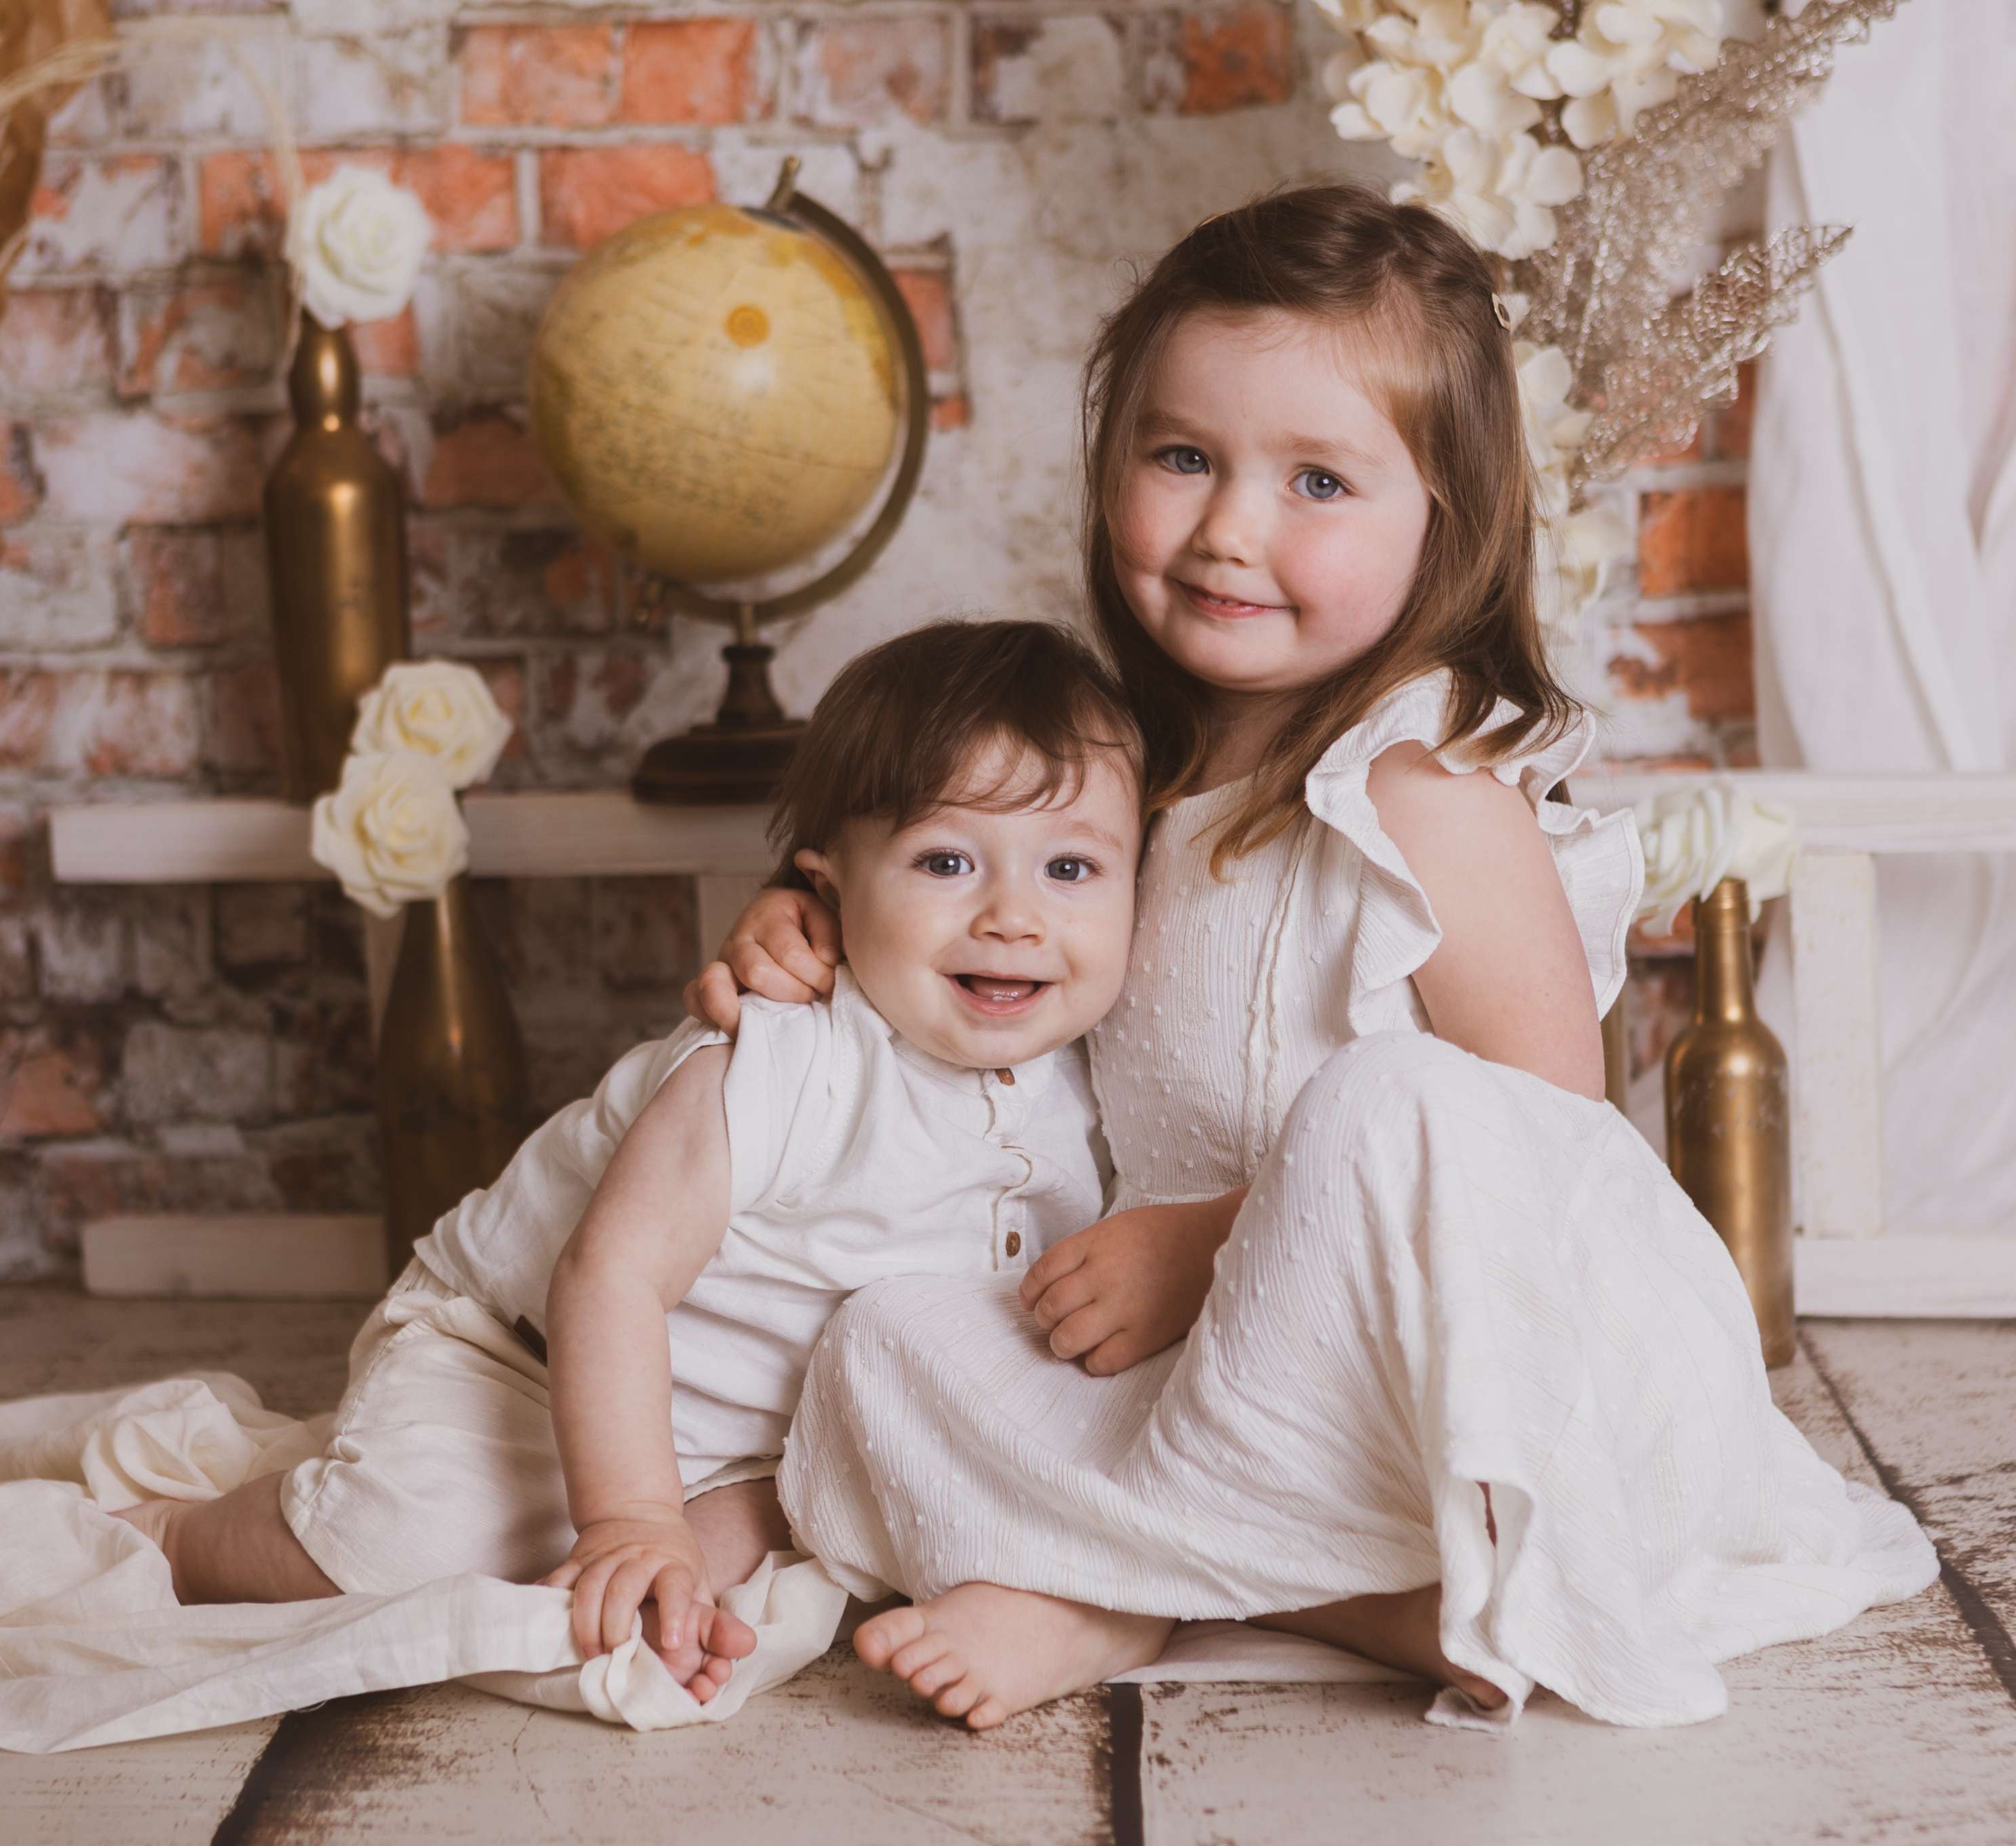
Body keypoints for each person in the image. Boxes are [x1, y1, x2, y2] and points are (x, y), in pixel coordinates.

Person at [690, 184, 1940, 1731]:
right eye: (1182, 457)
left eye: (1317, 482)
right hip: (1235, 1391)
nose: (1227, 529)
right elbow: (985, 948)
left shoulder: (1422, 782)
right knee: (879, 1348)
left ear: (1445, 518)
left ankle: (1123, 1587)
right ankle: (1321, 1592)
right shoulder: (1113, 769)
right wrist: (821, 926)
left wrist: (1212, 1239)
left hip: (1475, 1380)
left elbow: (1534, 1142)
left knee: (1382, 1103)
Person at [120, 621, 1145, 1703]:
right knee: (411, 1552)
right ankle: (181, 1537)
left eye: (1072, 867)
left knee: (710, 1581)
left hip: (747, 1439)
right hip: (519, 1356)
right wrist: (631, 1517)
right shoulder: (784, 1052)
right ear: (830, 886)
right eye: (946, 861)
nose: (1015, 916)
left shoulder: (1092, 1079)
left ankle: (659, 1542)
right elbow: (608, 1275)